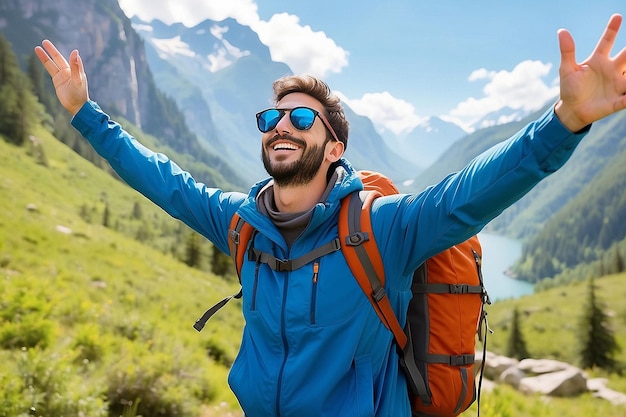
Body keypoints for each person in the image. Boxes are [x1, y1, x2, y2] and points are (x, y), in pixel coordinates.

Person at [35, 13, 626, 417]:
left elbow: (473, 189)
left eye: (300, 119)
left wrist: (564, 122)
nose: (281, 126)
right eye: (271, 119)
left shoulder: (384, 228)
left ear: (334, 148)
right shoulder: (241, 223)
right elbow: (164, 182)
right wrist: (86, 114)